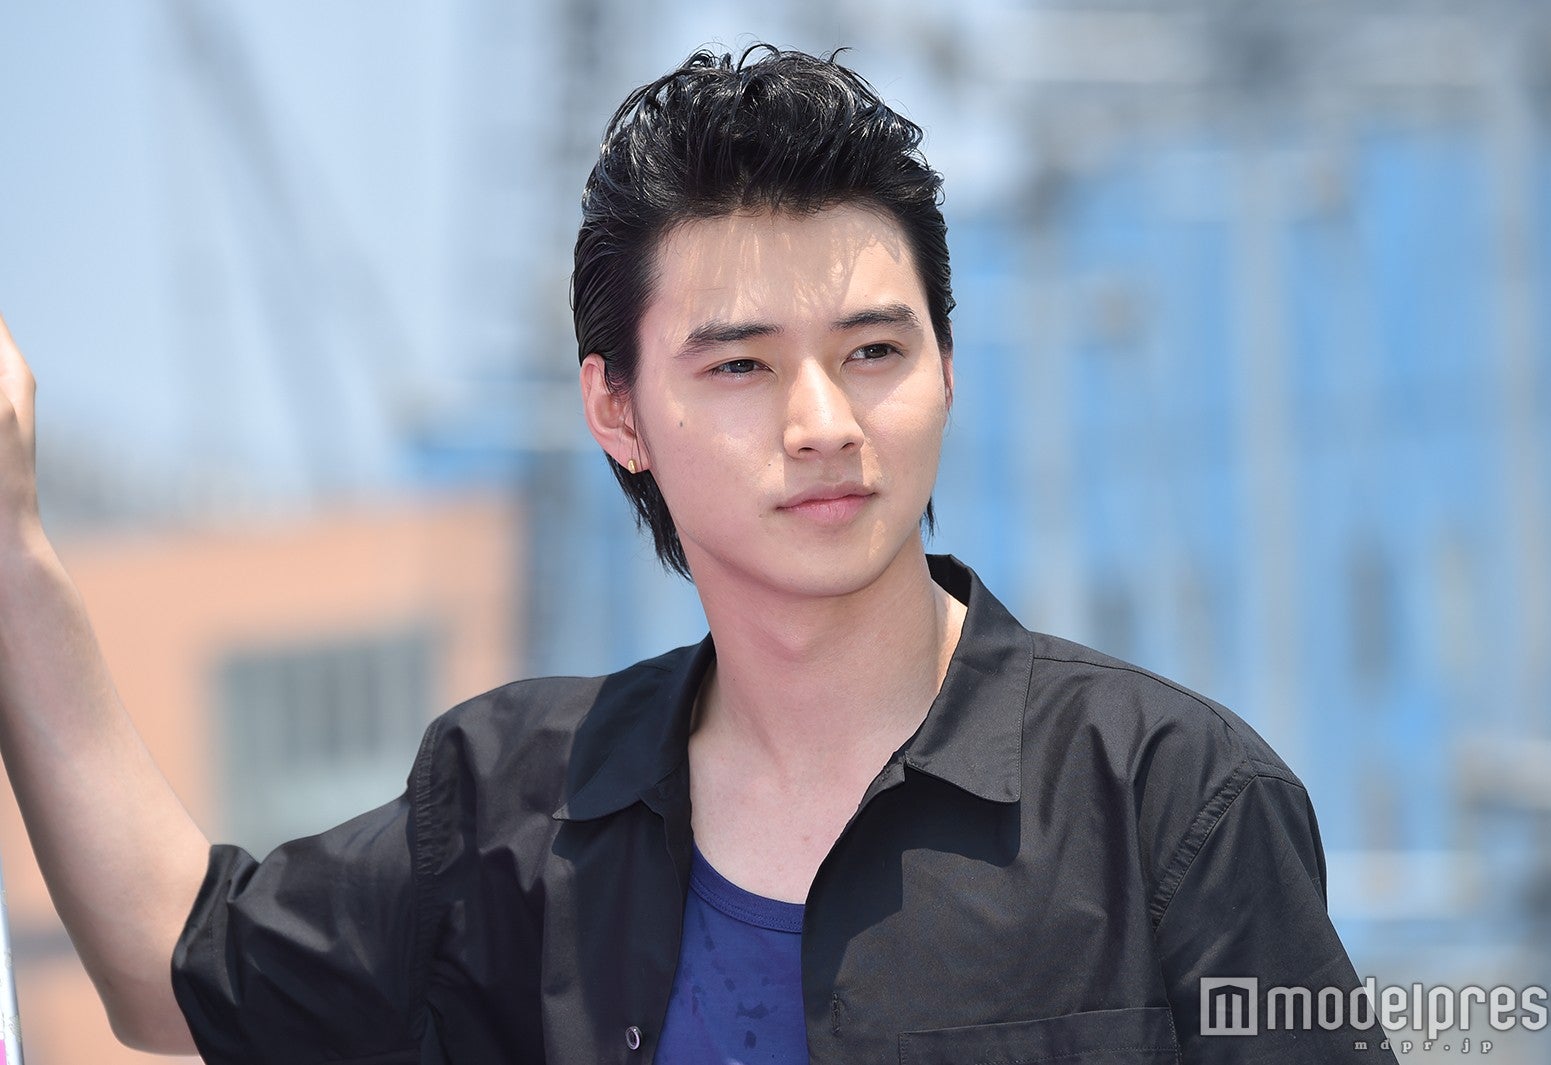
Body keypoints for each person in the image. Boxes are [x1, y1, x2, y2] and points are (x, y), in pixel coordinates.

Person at [0, 44, 1393, 1064]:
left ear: (948, 368)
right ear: (617, 411)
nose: (824, 421)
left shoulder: (1172, 802)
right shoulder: (514, 816)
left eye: (875, 350)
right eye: (740, 365)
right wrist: (14, 550)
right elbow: (170, 965)